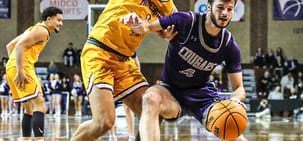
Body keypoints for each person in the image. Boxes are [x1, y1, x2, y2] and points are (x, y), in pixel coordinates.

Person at [122, 0, 247, 140]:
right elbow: (147, 26)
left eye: (230, 9)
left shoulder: (229, 44)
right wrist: (136, 23)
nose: (225, 13)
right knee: (150, 98)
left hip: (202, 95)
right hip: (170, 90)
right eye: (220, 7)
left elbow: (239, 88)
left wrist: (235, 100)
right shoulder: (186, 21)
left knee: (231, 125)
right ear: (209, 7)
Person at [70, 0, 178, 140]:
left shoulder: (168, 6)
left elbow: (175, 25)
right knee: (104, 122)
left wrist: (167, 33)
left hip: (124, 60)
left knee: (152, 113)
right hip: (100, 52)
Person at [5, 7, 63, 140]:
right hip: (22, 67)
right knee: (40, 105)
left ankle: (26, 139)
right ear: (49, 19)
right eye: (58, 20)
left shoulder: (33, 29)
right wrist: (20, 71)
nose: (61, 23)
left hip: (12, 67)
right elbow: (19, 47)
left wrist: (13, 66)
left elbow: (10, 46)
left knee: (29, 109)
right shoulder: (42, 31)